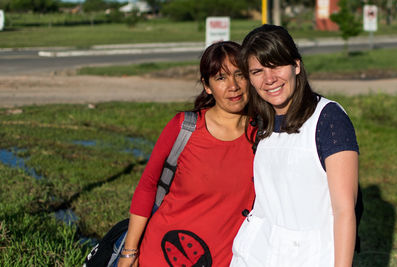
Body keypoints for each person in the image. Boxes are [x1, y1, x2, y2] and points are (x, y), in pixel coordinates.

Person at [230, 24, 359, 267]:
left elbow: (344, 211)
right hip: (255, 255)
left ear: (296, 66)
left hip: (310, 257)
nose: (269, 79)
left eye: (276, 66)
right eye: (257, 71)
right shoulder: (260, 122)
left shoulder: (328, 119)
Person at [118, 41, 256, 267]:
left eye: (240, 75)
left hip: (226, 260)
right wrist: (129, 252)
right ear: (207, 86)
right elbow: (147, 186)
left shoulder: (264, 135)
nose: (233, 86)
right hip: (162, 254)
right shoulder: (185, 127)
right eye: (221, 78)